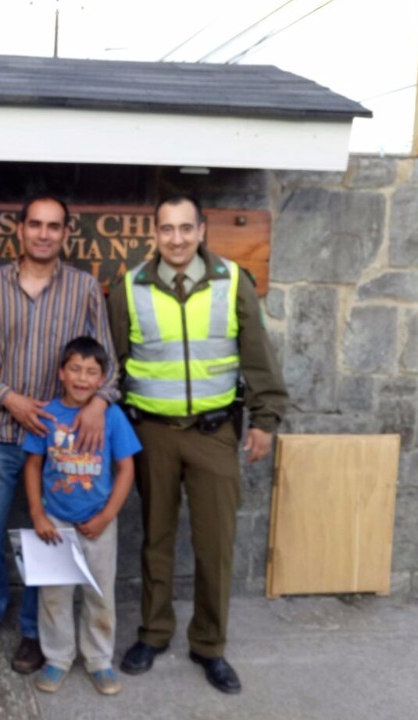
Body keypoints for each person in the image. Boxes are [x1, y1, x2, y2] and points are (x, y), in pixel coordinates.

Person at [107, 193, 288, 695]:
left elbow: (257, 357)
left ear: (203, 230)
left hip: (214, 433)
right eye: (167, 229)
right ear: (154, 234)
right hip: (152, 434)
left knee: (215, 546)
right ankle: (154, 633)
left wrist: (264, 418)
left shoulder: (233, 283)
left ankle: (209, 645)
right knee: (155, 539)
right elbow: (113, 367)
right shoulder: (129, 287)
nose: (177, 239)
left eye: (186, 228)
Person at [0, 194, 119, 674]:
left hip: (56, 444)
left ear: (66, 233)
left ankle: (34, 632)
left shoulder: (85, 288)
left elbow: (107, 365)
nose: (44, 233)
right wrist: (9, 397)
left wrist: (98, 403)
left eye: (54, 226)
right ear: (20, 230)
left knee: (44, 537)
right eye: (35, 224)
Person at [23, 336, 141, 696]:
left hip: (97, 523)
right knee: (54, 595)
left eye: (92, 372)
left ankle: (99, 660)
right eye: (75, 369)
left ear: (102, 378)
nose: (82, 378)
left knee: (99, 594)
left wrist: (107, 516)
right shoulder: (48, 415)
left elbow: (126, 469)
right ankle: (57, 658)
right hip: (55, 521)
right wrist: (38, 514)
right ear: (61, 372)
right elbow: (32, 465)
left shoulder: (113, 416)